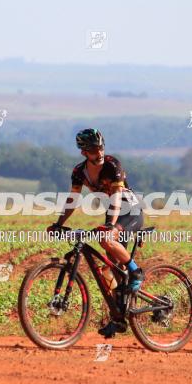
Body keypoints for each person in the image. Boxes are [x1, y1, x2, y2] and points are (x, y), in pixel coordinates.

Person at [48, 128, 145, 337]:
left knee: (106, 239)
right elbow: (72, 200)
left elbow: (117, 197)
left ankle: (137, 272)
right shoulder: (79, 172)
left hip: (130, 211)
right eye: (93, 149)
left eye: (100, 146)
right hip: (113, 216)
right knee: (108, 271)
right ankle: (119, 317)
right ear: (84, 152)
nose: (99, 152)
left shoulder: (112, 164)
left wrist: (110, 224)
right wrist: (58, 223)